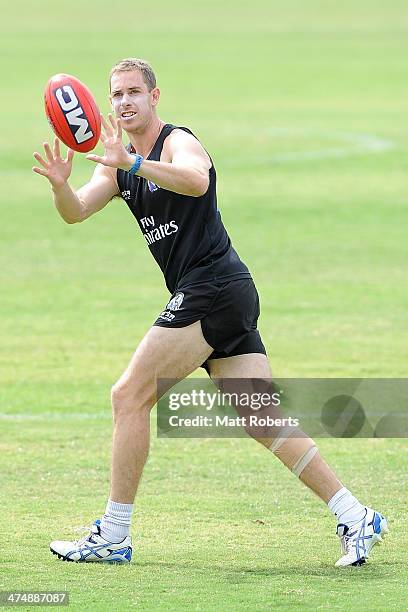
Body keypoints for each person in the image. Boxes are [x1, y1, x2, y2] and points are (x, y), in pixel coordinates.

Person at [33, 58, 388, 566]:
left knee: (128, 395)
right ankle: (356, 515)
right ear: (105, 102)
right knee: (262, 418)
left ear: (155, 97)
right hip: (224, 292)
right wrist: (60, 185)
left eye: (134, 92)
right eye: (116, 95)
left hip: (213, 286)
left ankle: (113, 535)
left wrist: (133, 164)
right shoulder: (115, 161)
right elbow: (78, 210)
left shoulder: (177, 141)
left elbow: (196, 180)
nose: (125, 102)